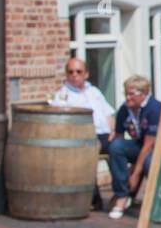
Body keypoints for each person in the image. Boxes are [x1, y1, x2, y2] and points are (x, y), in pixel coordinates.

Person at [50, 58, 116, 212]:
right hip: (82, 138)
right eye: (70, 72)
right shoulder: (62, 96)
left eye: (78, 72)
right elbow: (61, 123)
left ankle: (123, 193)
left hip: (104, 135)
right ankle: (94, 198)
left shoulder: (94, 91)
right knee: (88, 154)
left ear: (86, 74)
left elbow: (109, 114)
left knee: (119, 149)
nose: (74, 75)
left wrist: (114, 133)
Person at [107, 75, 161, 219]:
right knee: (115, 146)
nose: (127, 97)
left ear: (144, 94)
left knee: (148, 162)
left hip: (158, 148)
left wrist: (135, 174)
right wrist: (124, 174)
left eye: (132, 94)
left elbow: (149, 145)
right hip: (139, 145)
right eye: (126, 93)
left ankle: (156, 203)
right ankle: (122, 196)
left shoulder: (154, 109)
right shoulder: (125, 109)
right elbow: (119, 136)